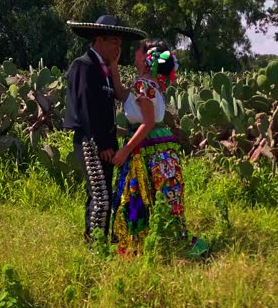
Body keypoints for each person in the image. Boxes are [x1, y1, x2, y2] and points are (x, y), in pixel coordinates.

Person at [111, 39, 206, 257]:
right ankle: (166, 241)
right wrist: (114, 66)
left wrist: (126, 150)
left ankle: (141, 247)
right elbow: (122, 94)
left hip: (147, 147)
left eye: (138, 48)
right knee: (161, 197)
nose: (133, 51)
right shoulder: (150, 83)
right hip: (162, 147)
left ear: (146, 58)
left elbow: (148, 122)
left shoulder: (143, 85)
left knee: (140, 195)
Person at [64, 15, 145, 242]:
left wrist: (114, 67)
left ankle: (101, 241)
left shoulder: (104, 69)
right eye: (114, 43)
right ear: (99, 40)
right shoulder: (84, 66)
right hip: (92, 141)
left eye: (120, 44)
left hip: (105, 141)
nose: (118, 49)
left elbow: (114, 100)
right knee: (100, 196)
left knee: (104, 195)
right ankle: (95, 245)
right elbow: (85, 108)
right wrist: (101, 143)